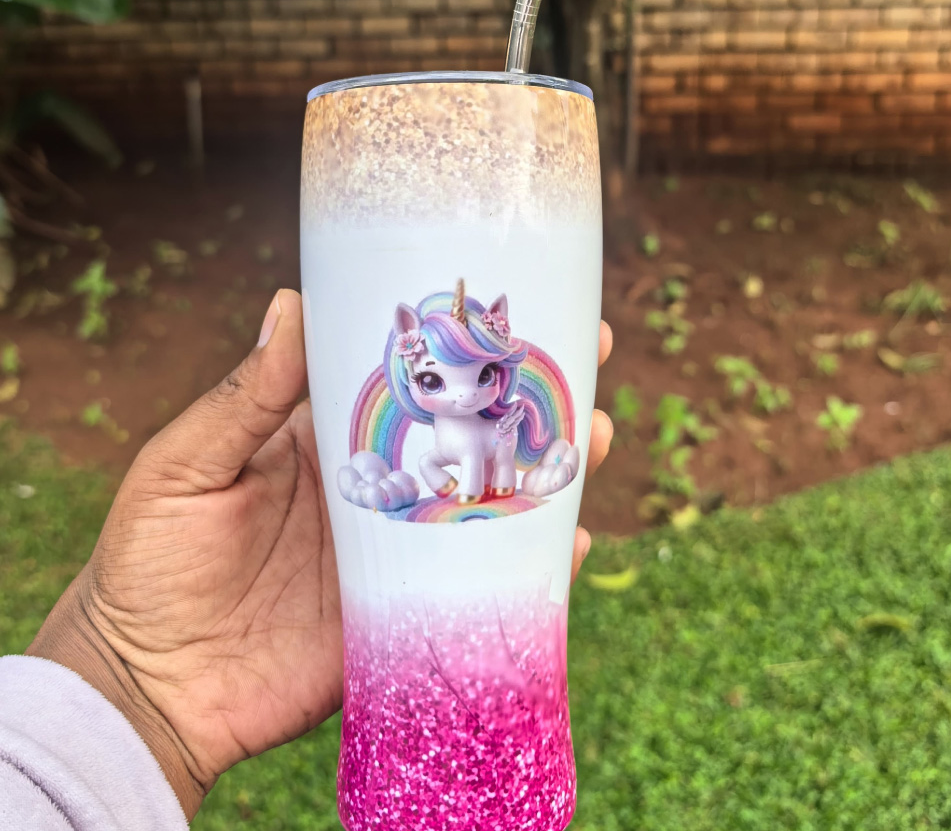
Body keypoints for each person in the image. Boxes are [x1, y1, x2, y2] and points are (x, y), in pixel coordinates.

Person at [0, 290, 614, 830]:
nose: (462, 393)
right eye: (433, 381)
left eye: (483, 376)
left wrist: (122, 673)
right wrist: (123, 671)